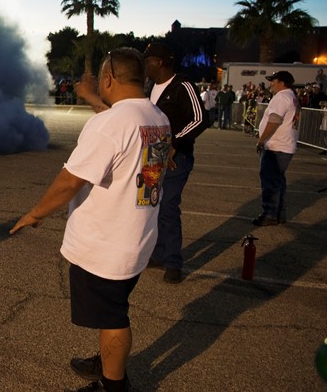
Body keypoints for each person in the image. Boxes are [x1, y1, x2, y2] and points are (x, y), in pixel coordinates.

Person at [13, 48, 171, 392]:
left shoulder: (110, 123)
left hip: (107, 246)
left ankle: (113, 385)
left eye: (100, 78)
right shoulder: (156, 116)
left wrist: (35, 214)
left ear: (109, 78)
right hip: (137, 237)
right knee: (112, 308)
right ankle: (107, 359)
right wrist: (91, 99)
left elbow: (71, 180)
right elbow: (122, 132)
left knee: (113, 316)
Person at [77, 43, 207, 284]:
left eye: (147, 60)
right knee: (152, 204)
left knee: (168, 208)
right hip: (154, 156)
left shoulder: (182, 85)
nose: (143, 65)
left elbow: (200, 119)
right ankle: (156, 254)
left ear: (158, 62)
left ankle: (173, 263)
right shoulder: (150, 88)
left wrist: (175, 142)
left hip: (176, 159)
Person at [252, 71, 299, 226]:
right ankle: (278, 214)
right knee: (278, 182)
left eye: (273, 81)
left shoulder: (282, 97)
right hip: (285, 145)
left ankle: (270, 214)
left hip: (276, 146)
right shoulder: (291, 96)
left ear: (281, 82)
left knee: (270, 181)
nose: (271, 84)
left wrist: (261, 140)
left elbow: (274, 120)